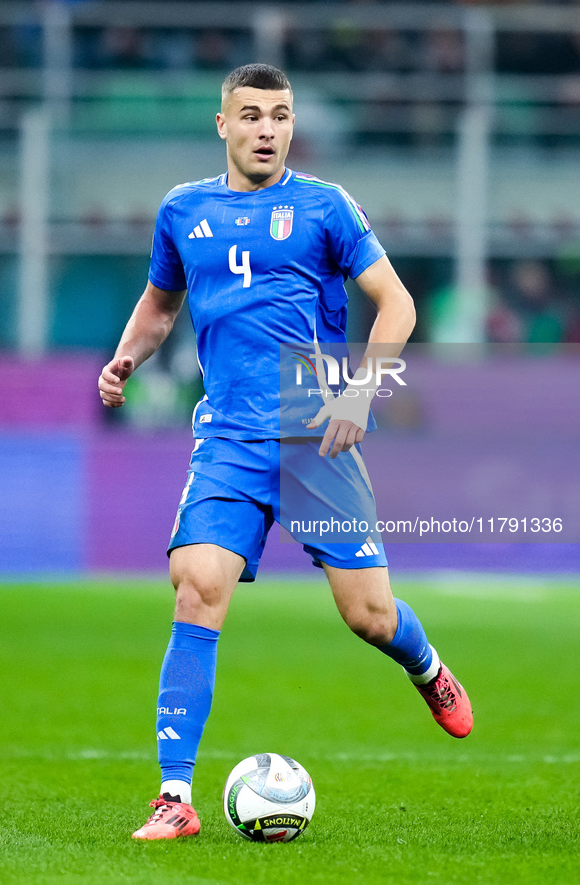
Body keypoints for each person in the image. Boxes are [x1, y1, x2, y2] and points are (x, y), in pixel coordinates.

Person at [98, 63, 473, 841]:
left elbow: (395, 301)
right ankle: (174, 795)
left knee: (368, 615)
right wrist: (128, 356)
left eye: (280, 115)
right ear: (223, 125)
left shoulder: (325, 207)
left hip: (316, 437)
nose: (268, 128)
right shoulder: (183, 209)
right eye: (253, 114)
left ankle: (427, 666)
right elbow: (159, 304)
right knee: (196, 586)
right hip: (230, 439)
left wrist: (359, 394)